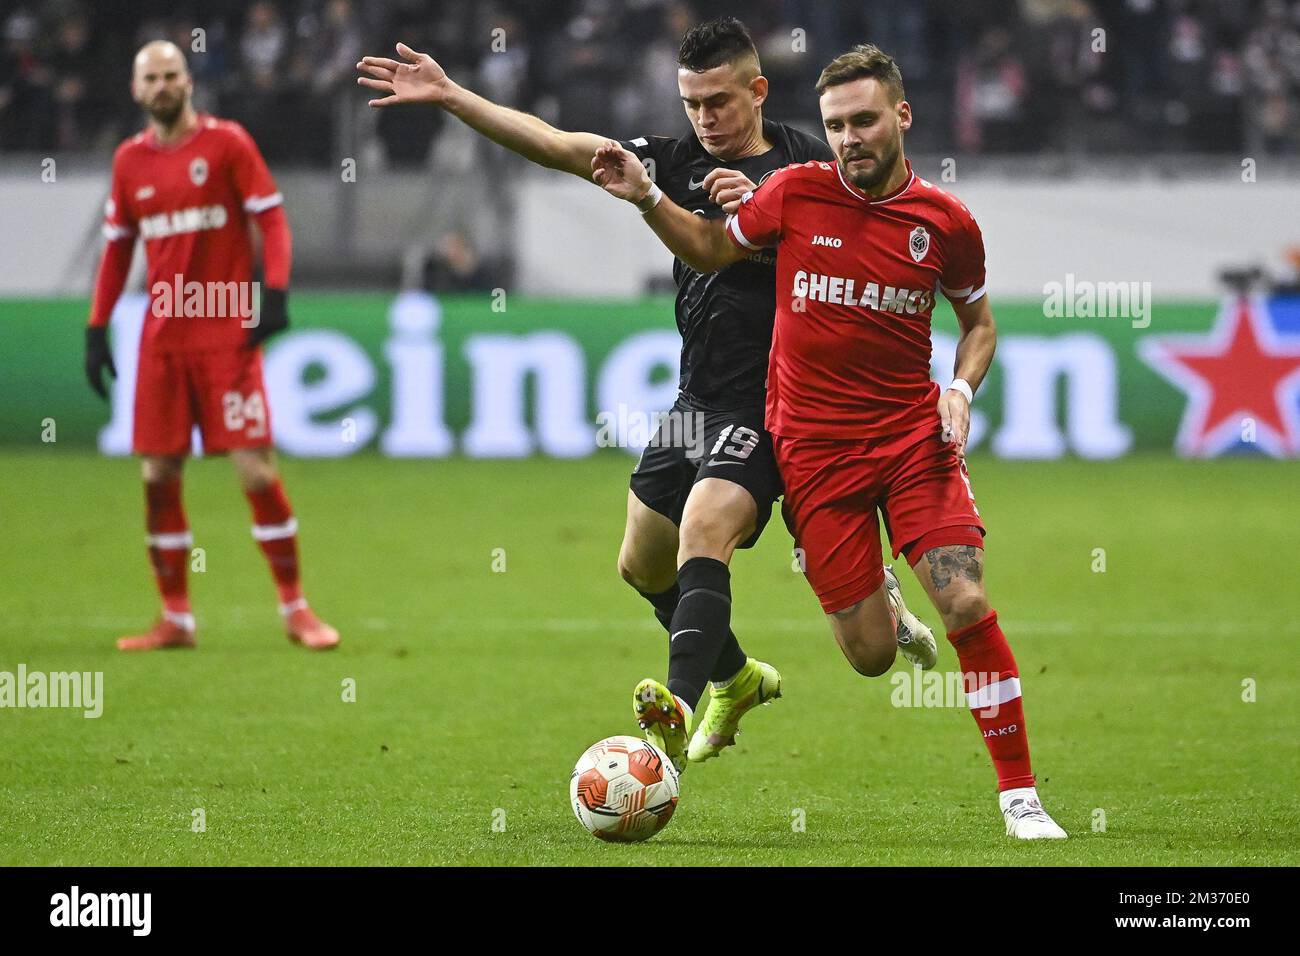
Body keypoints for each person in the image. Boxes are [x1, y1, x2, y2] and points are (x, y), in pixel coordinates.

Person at [356, 18, 936, 772]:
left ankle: (672, 722)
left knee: (708, 528)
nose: (705, 119)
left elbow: (879, 231)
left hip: (780, 402)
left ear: (757, 91)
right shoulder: (670, 161)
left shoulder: (809, 161)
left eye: (720, 101)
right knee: (641, 564)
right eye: (691, 102)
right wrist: (454, 96)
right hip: (699, 400)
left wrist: (766, 201)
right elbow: (558, 144)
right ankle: (735, 677)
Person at [589, 43, 1067, 838]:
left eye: (865, 120)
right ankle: (871, 584)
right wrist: (647, 199)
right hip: (814, 458)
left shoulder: (946, 224)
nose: (850, 138)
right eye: (836, 124)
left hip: (914, 441)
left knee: (965, 601)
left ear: (902, 117)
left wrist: (959, 387)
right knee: (873, 656)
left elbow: (978, 324)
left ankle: (1020, 795)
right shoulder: (794, 193)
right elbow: (709, 248)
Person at [85, 41, 338, 652]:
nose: (163, 86)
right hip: (163, 343)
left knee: (254, 469)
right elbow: (119, 250)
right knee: (157, 473)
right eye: (152, 77)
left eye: (172, 74)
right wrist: (97, 328)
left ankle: (297, 610)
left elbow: (272, 220)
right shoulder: (128, 161)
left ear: (189, 80)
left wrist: (273, 294)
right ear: (136, 89)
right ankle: (175, 618)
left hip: (227, 336)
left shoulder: (227, 144)